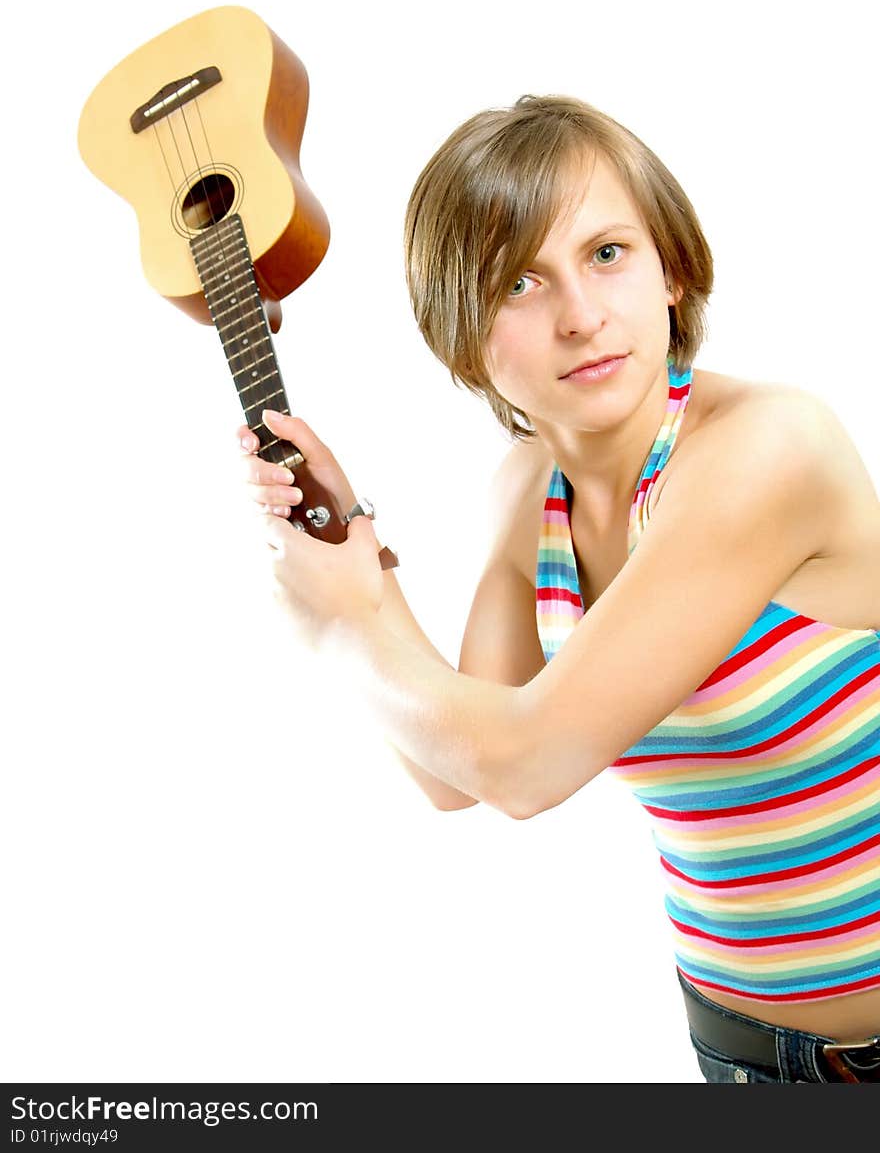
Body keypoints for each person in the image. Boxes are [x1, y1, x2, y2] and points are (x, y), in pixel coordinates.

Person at [237, 95, 880, 1084]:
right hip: (741, 1054)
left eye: (608, 253)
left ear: (669, 265)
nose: (580, 315)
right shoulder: (526, 490)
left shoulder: (767, 448)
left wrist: (341, 629)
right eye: (520, 281)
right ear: (463, 339)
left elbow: (526, 765)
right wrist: (355, 552)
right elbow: (455, 771)